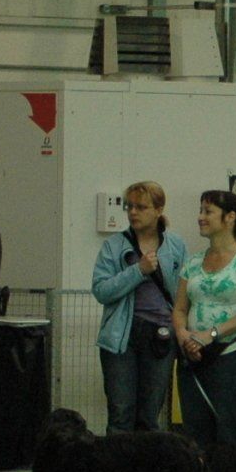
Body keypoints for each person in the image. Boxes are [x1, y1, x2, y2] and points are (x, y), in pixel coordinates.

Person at [91, 181, 189, 433]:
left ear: (158, 209)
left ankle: (145, 471)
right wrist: (138, 271)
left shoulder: (176, 246)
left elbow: (184, 293)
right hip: (121, 336)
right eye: (129, 207)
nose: (133, 212)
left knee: (149, 414)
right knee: (121, 413)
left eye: (141, 207)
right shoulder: (114, 246)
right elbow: (101, 290)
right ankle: (117, 471)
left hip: (161, 335)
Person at [172, 190, 236, 447]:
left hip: (232, 355)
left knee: (230, 432)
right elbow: (180, 308)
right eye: (200, 211)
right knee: (195, 432)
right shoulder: (192, 263)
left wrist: (210, 335)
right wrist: (183, 335)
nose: (200, 217)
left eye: (208, 211)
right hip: (193, 357)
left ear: (230, 218)